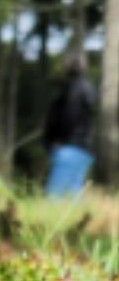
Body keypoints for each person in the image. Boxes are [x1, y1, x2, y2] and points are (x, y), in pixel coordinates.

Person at [44, 52, 96, 196]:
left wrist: (58, 141)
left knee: (54, 196)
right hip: (82, 148)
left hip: (69, 147)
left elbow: (69, 116)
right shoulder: (87, 88)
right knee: (74, 195)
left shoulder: (72, 90)